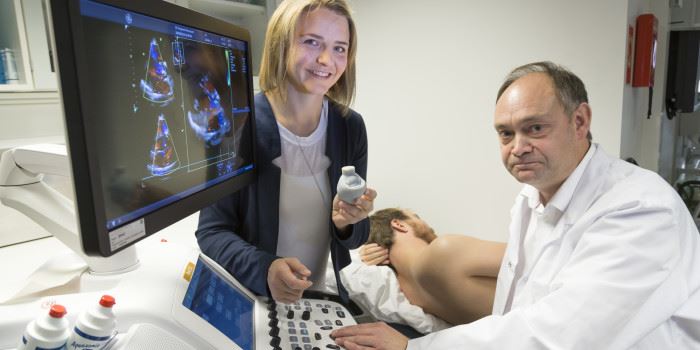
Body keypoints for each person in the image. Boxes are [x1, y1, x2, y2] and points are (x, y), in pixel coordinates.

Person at [332, 61, 700, 349]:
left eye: (535, 128)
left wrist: (417, 347)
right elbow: (517, 313)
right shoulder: (529, 201)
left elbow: (566, 334)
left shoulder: (640, 207)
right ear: (400, 225)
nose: (517, 147)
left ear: (580, 121)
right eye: (505, 134)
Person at [196, 0, 376, 305]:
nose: (325, 60)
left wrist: (348, 221)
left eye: (339, 48)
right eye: (311, 42)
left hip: (313, 300)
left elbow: (356, 237)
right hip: (249, 297)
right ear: (281, 44)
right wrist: (265, 268)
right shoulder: (236, 123)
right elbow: (212, 232)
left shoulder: (351, 127)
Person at [359, 208, 505, 326]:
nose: (429, 225)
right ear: (399, 224)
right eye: (416, 216)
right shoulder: (445, 250)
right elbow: (526, 259)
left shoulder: (409, 295)